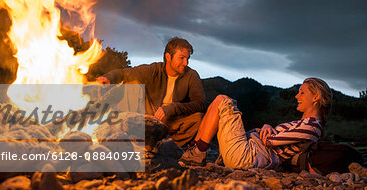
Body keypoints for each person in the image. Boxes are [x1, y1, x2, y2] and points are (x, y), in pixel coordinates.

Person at [179, 78, 332, 170]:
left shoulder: (312, 127)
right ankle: (194, 149)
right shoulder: (304, 123)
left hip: (247, 155)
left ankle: (197, 152)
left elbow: (270, 141)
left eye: (302, 92)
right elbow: (272, 135)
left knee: (223, 101)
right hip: (246, 151)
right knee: (219, 101)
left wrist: (266, 130)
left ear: (316, 97)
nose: (297, 95)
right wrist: (266, 127)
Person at [96, 37, 205, 147]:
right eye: (181, 58)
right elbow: (127, 73)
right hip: (149, 115)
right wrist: (108, 77)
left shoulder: (191, 75)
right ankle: (133, 135)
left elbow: (200, 103)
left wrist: (174, 108)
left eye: (187, 58)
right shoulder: (154, 69)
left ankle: (167, 146)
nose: (185, 63)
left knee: (198, 118)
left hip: (173, 120)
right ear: (168, 57)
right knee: (132, 84)